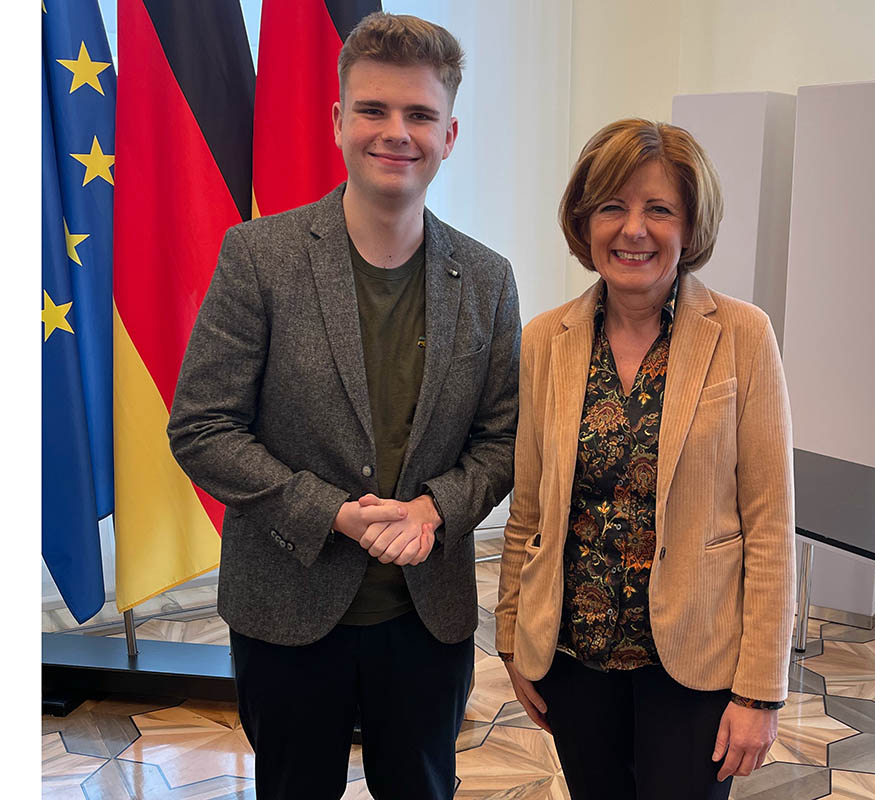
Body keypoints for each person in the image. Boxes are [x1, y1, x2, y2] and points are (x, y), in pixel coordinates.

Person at [167, 12, 520, 800]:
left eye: (420, 115)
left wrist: (435, 508)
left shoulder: (489, 279)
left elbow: (502, 439)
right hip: (286, 611)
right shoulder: (259, 256)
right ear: (338, 121)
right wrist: (330, 511)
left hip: (427, 620)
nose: (397, 132)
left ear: (450, 133)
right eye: (374, 110)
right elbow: (201, 427)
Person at [494, 118, 795, 799]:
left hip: (694, 663)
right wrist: (513, 638)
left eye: (658, 209)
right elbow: (531, 507)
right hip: (574, 660)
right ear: (584, 221)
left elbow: (771, 527)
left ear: (689, 226)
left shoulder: (743, 336)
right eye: (612, 207)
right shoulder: (547, 339)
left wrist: (760, 692)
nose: (634, 229)